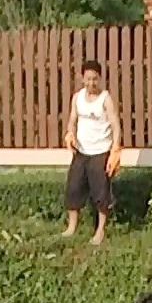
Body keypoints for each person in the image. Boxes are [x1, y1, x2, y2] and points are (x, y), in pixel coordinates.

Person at [62, 59, 122, 245]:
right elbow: (72, 119)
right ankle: (72, 227)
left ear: (100, 78)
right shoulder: (77, 98)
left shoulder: (106, 99)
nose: (91, 83)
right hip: (81, 151)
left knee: (101, 193)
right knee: (73, 188)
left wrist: (115, 149)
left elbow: (115, 125)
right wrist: (70, 133)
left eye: (95, 79)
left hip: (100, 152)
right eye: (88, 79)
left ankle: (100, 230)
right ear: (82, 79)